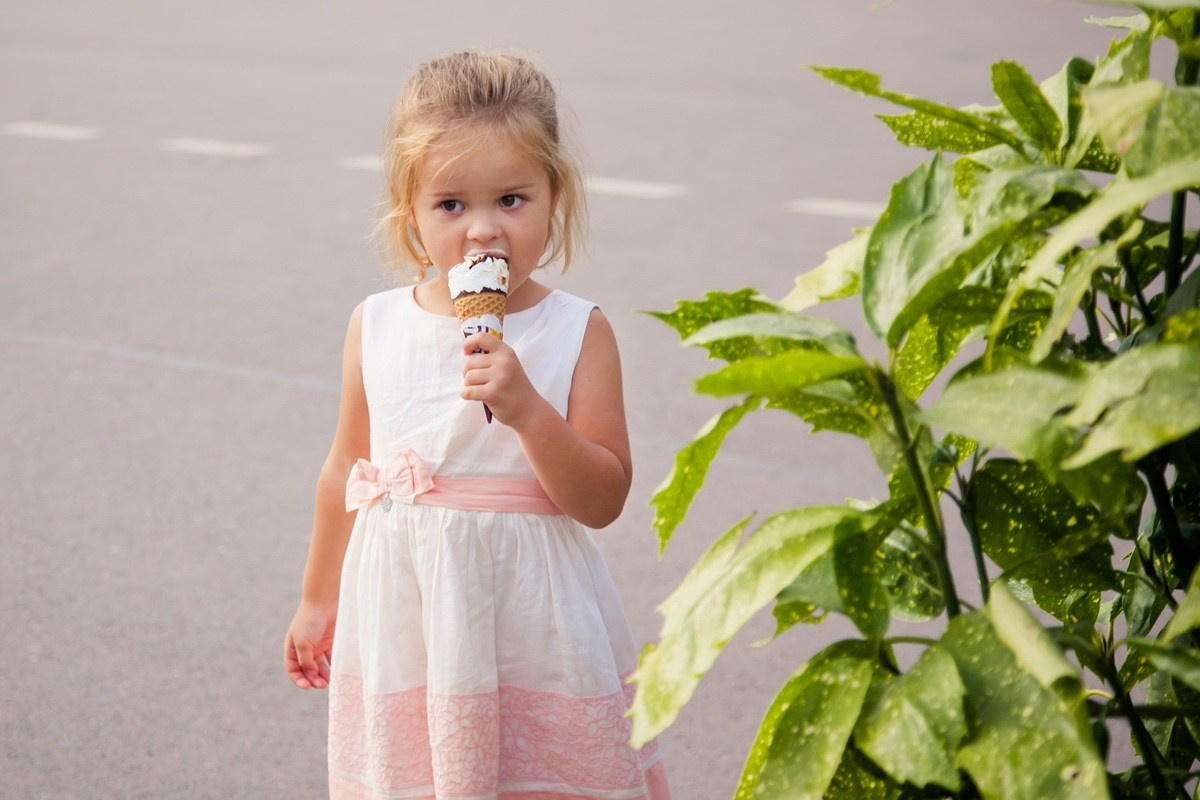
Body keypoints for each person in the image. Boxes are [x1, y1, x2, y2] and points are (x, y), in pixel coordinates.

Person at [283, 51, 670, 800]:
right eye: (451, 205)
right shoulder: (377, 324)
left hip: (533, 626)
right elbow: (345, 470)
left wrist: (527, 410)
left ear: (556, 196)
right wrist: (317, 598)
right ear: (410, 210)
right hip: (410, 623)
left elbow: (602, 498)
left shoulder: (576, 331)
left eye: (513, 200)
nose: (483, 231)